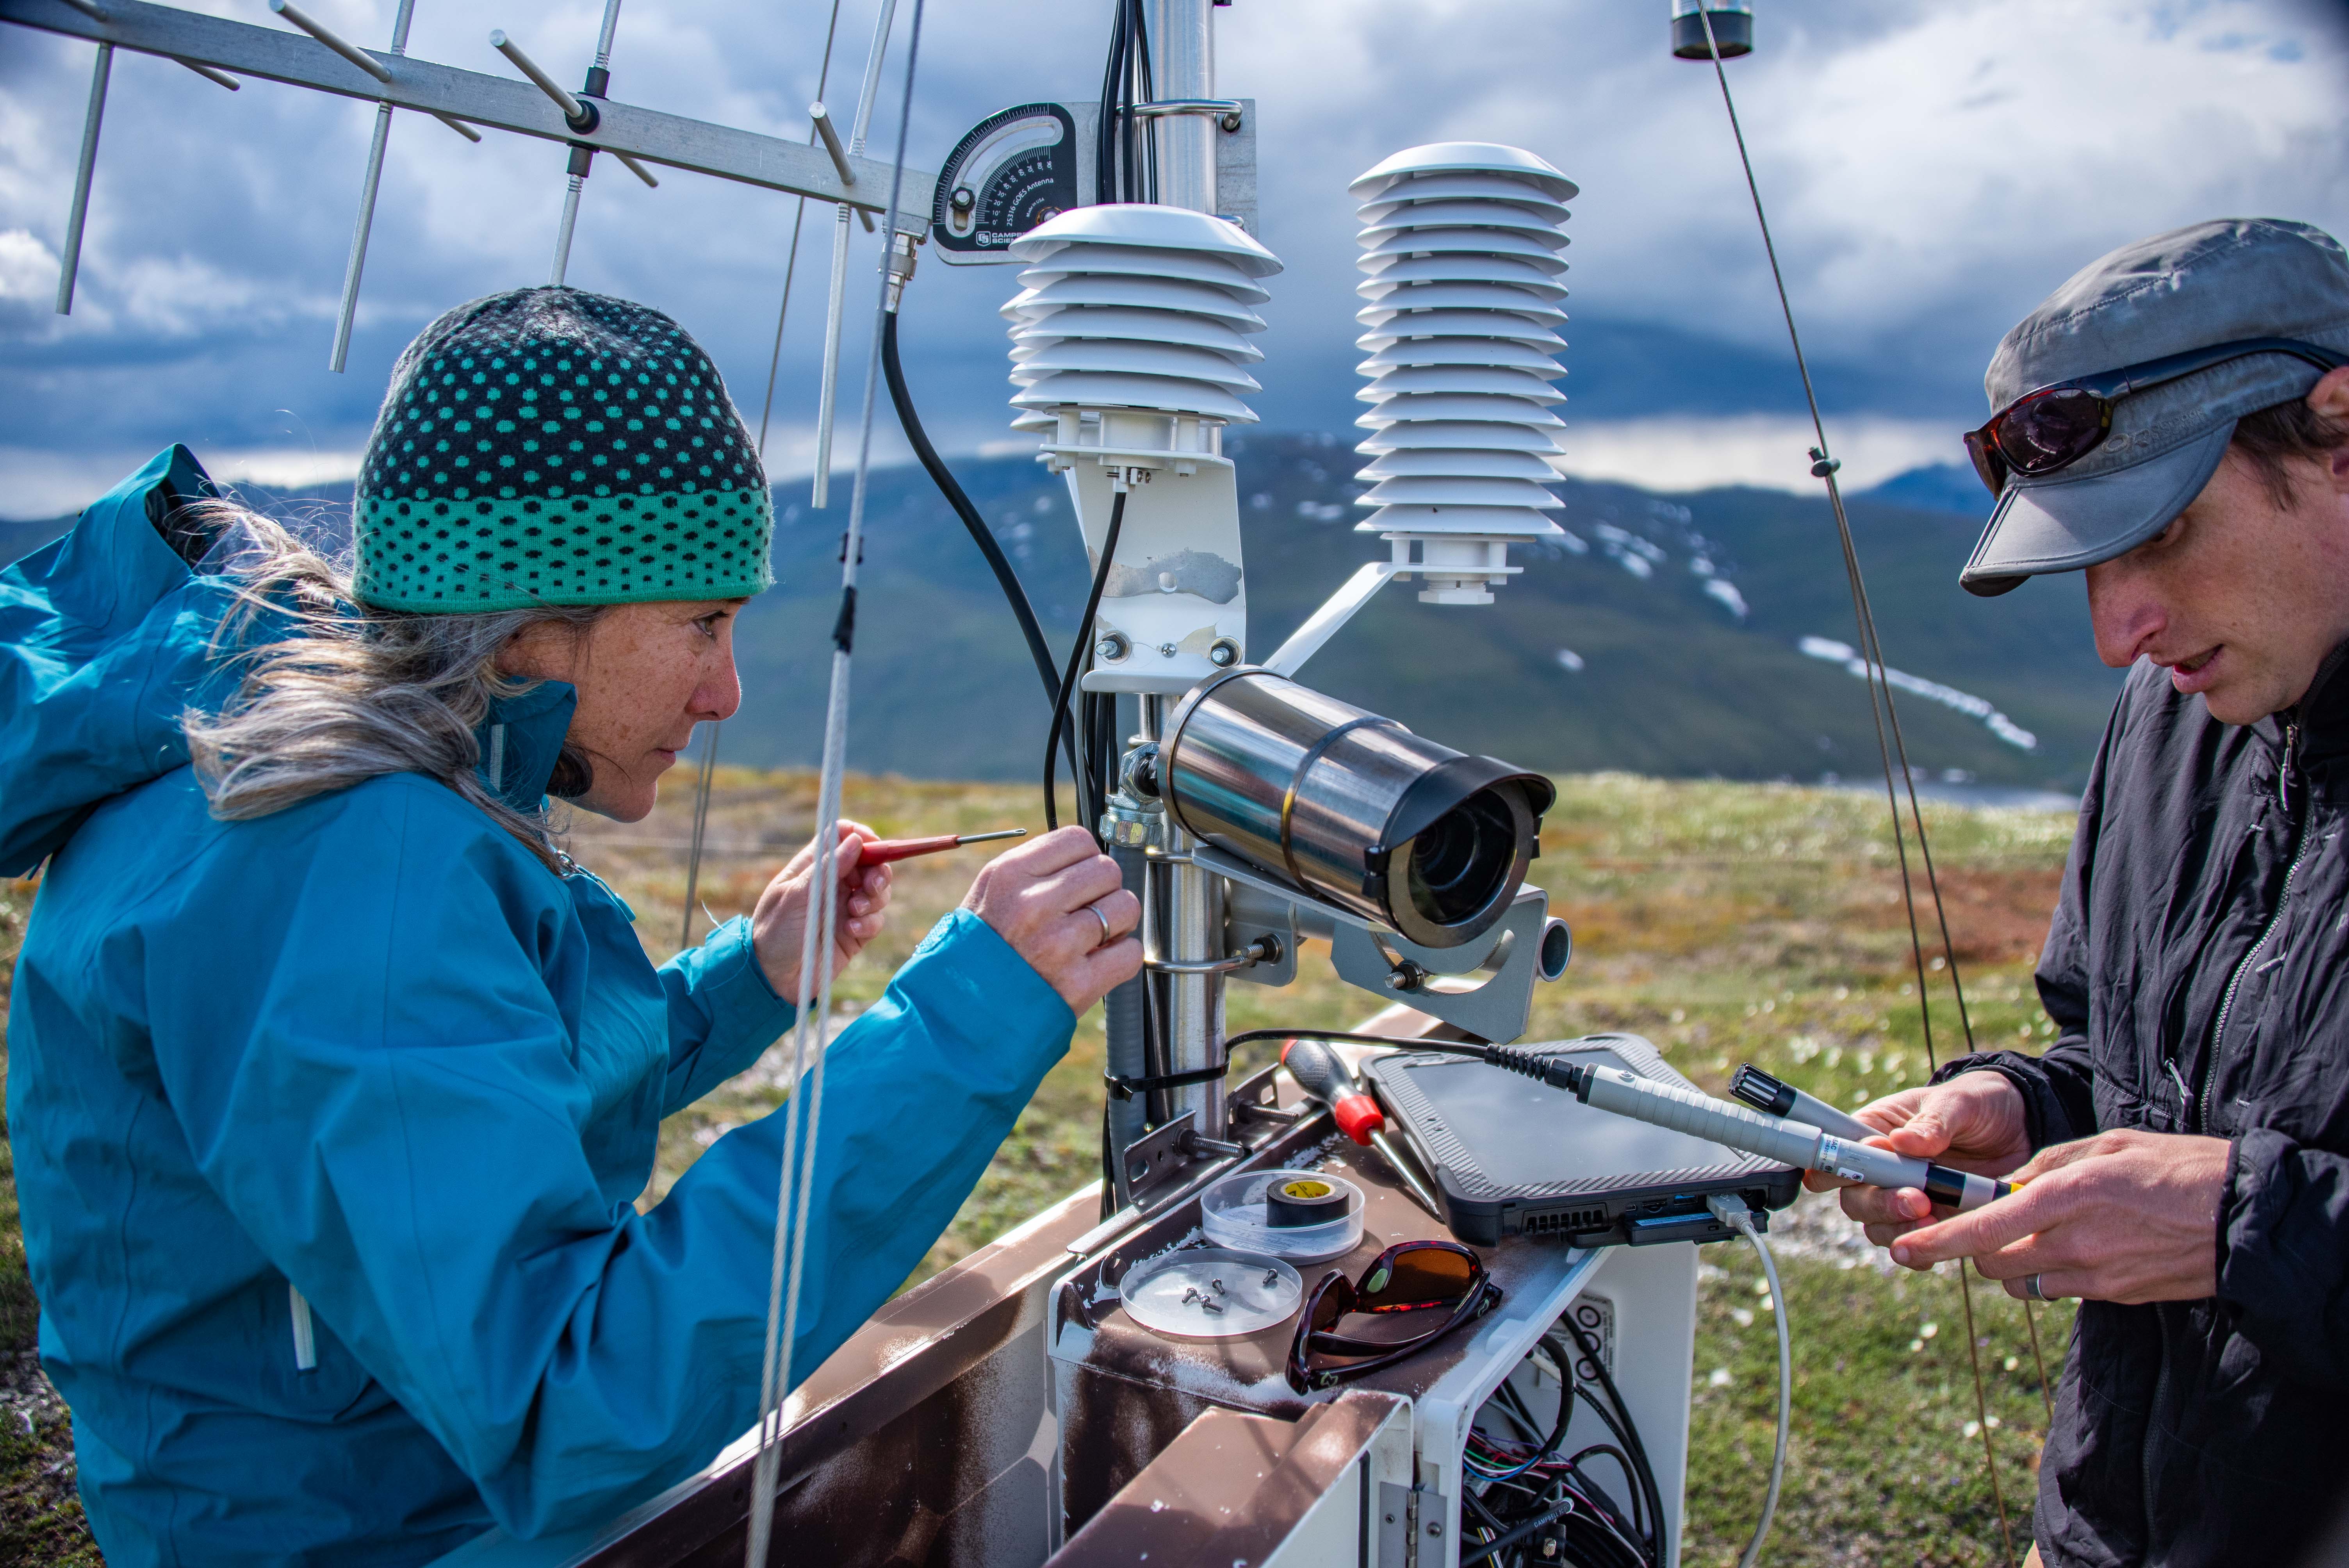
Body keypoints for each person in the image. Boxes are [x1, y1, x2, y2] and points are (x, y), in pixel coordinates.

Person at [0, 287, 1144, 1566]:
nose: (725, 692)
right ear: (533, 616)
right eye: (702, 623)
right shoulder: (344, 867)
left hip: (372, 1466)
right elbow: (569, 1401)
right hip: (375, 1532)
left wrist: (750, 980)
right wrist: (965, 1022)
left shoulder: (335, 761)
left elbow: (467, 1104)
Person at [1818, 220, 2349, 1567]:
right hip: (2115, 1519)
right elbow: (2128, 1063)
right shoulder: (2173, 715)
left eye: (2162, 533)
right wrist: (2017, 1109)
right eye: (2086, 563)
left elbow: (2240, 1192)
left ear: (2338, 429)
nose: (2120, 630)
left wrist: (2248, 1227)